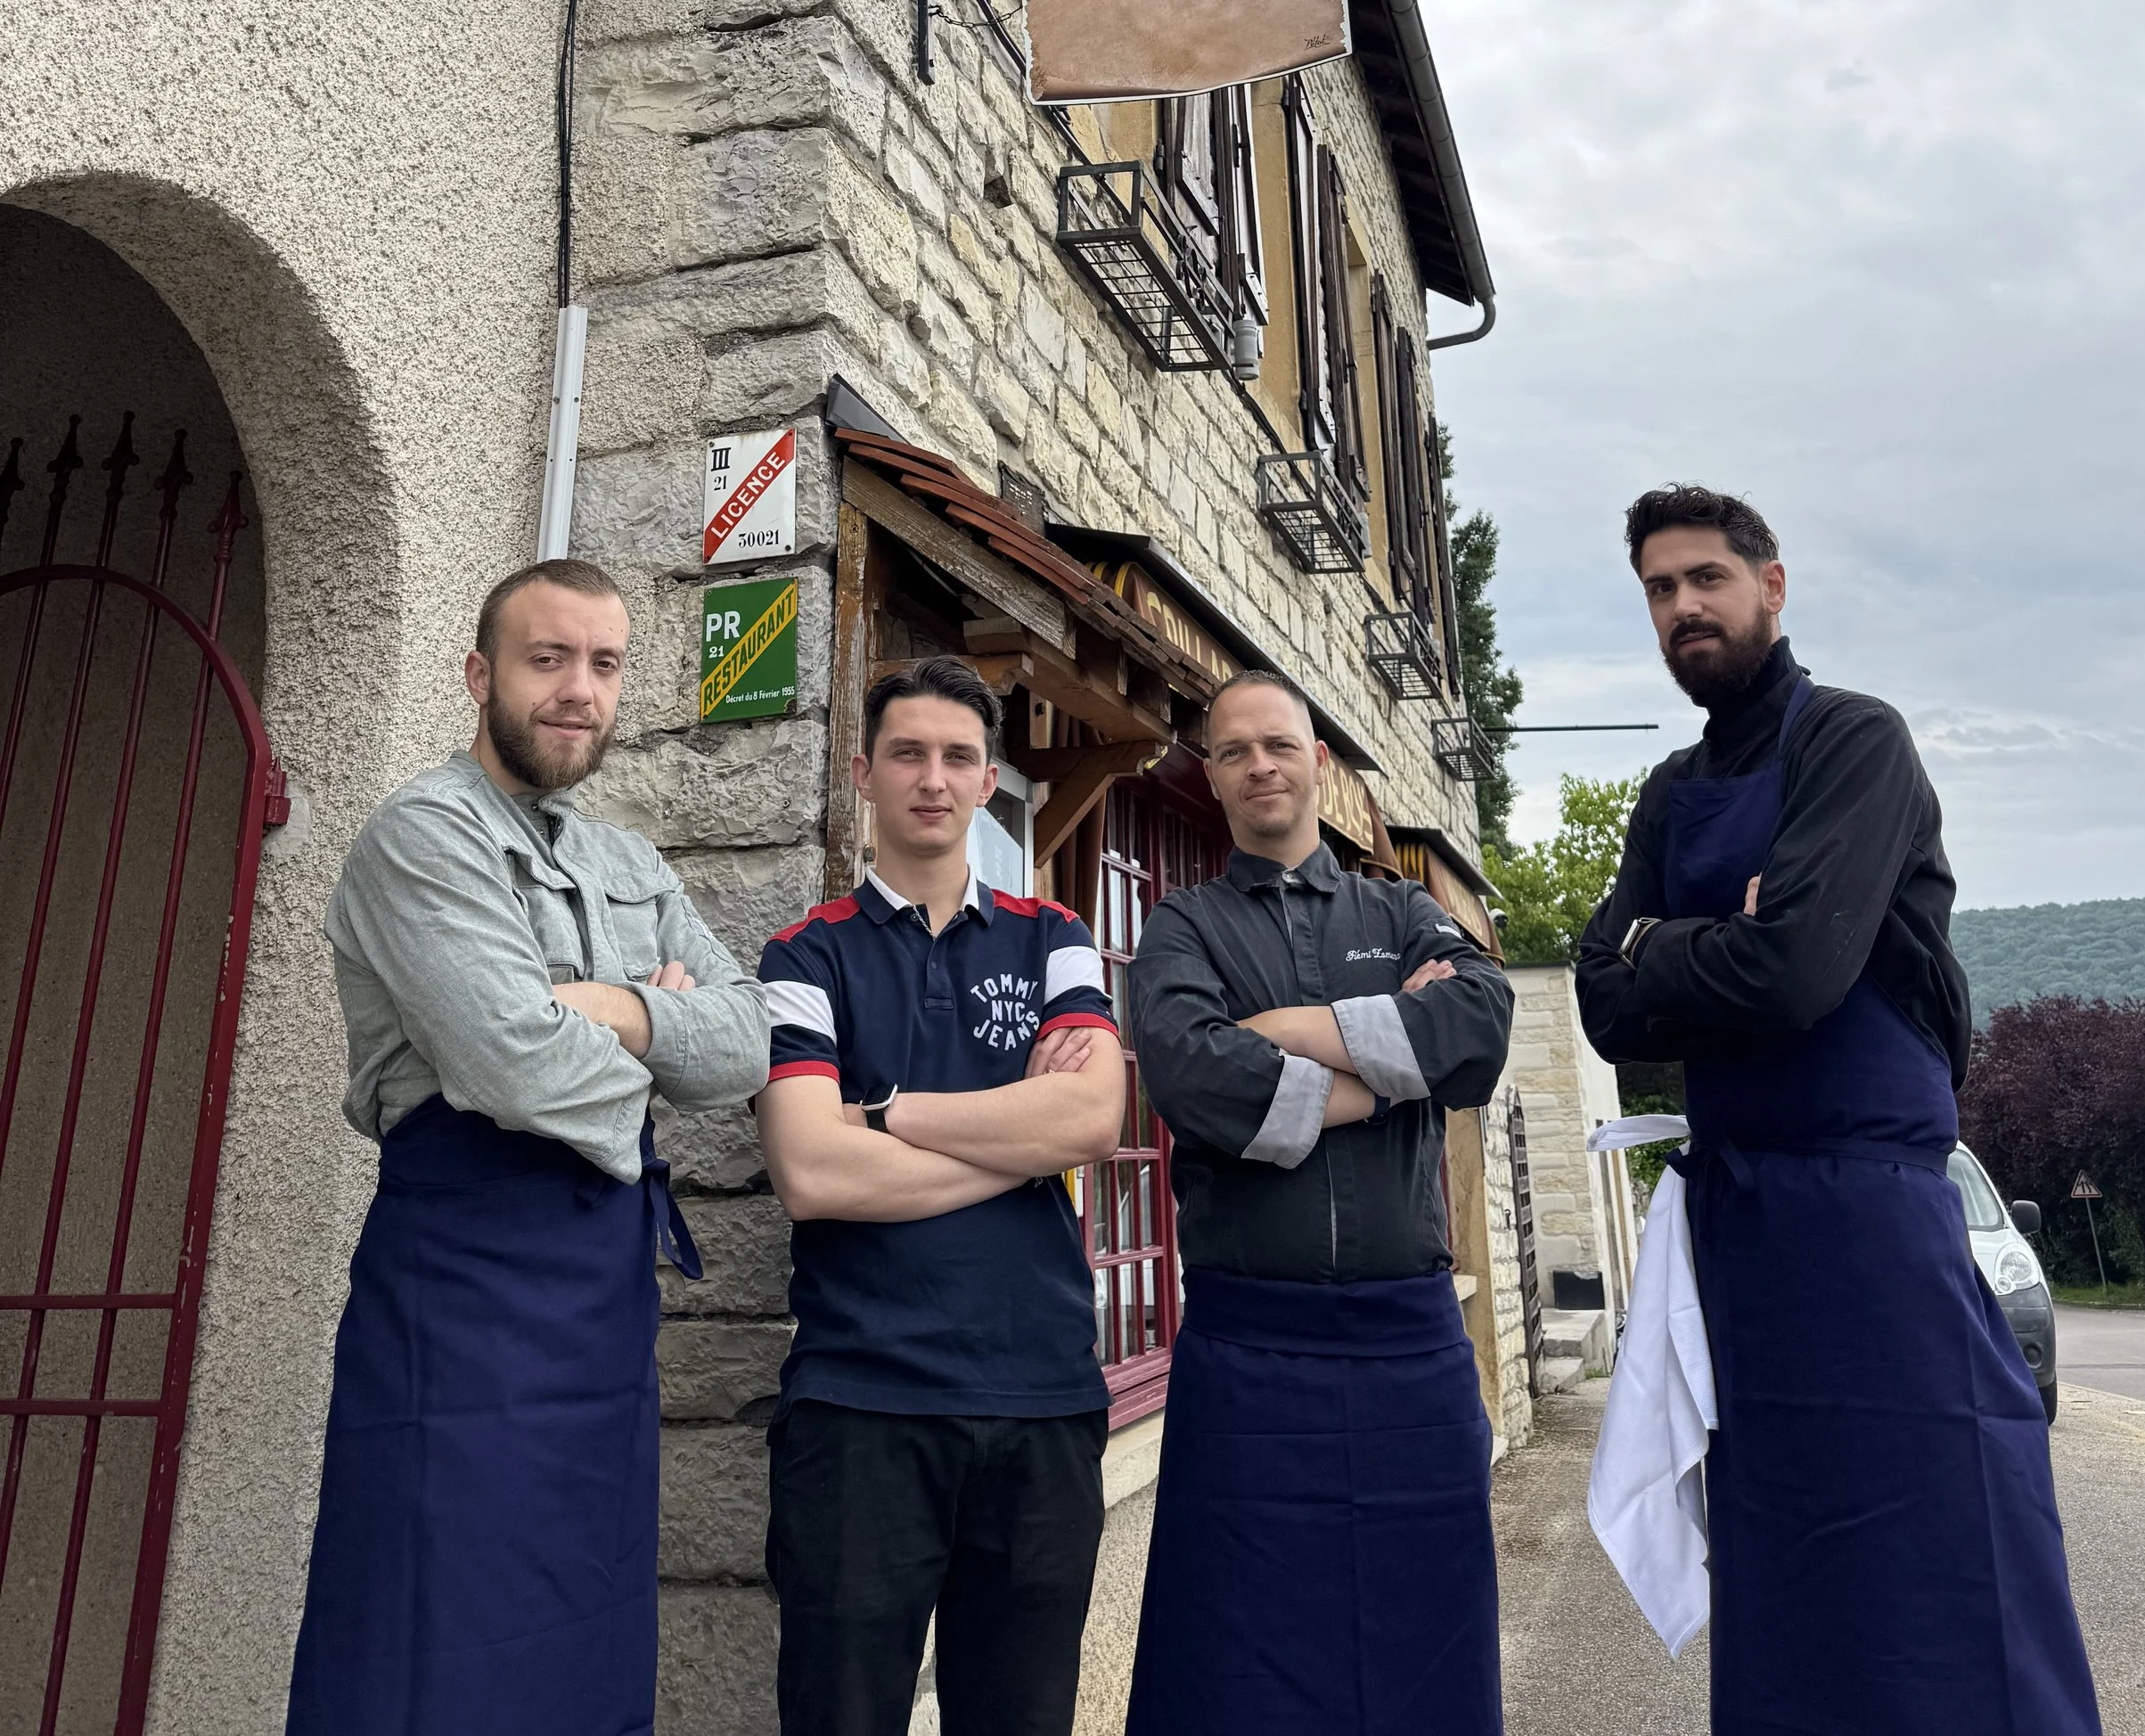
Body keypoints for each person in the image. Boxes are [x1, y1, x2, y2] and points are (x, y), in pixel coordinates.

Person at [1576, 487, 2101, 1735]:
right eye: (1660, 588)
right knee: (1784, 1563)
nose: (1684, 606)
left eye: (1707, 576)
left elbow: (1800, 967)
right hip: (1743, 1240)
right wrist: (1726, 942)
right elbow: (1603, 1004)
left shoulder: (1858, 742)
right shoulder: (1668, 791)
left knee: (1951, 1535)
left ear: (1773, 584)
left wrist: (1672, 947)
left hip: (1874, 1220)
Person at [286, 557, 770, 1736]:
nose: (578, 689)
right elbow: (507, 1060)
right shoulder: (422, 833)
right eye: (546, 658)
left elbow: (751, 1040)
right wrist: (653, 1023)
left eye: (603, 664)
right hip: (459, 1288)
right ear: (479, 674)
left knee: (585, 1637)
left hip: (601, 1301)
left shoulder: (631, 863)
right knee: (431, 1631)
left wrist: (604, 1007)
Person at [1125, 667, 1513, 1736]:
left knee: (1423, 1626)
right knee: (1235, 1644)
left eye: (1279, 745)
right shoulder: (1183, 929)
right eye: (1235, 749)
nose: (1259, 765)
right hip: (1251, 1346)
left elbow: (1477, 1031)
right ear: (1211, 774)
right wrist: (1390, 1058)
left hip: (1408, 1341)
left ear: (1319, 764)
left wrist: (1284, 1031)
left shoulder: (1400, 908)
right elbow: (1190, 1076)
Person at [753, 653, 1127, 1736]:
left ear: (985, 778)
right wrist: (1012, 1132)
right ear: (864, 773)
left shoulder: (1051, 939)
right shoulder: (801, 957)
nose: (934, 777)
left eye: (958, 757)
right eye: (908, 754)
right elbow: (812, 1175)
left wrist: (885, 1111)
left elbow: (1092, 1121)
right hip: (860, 1407)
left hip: (1042, 1403)